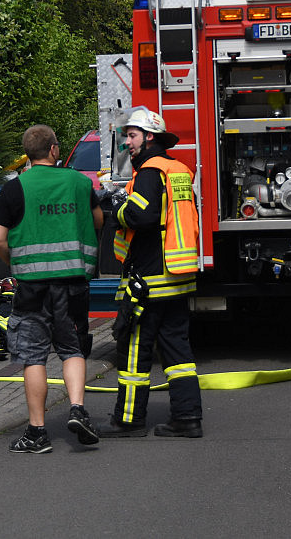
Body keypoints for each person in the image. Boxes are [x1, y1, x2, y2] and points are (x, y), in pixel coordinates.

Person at [0, 124, 103, 453]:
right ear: (54, 150)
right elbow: (97, 220)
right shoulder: (80, 183)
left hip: (32, 288)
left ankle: (37, 432)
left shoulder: (15, 188)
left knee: (33, 357)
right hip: (73, 284)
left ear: (28, 154)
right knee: (73, 349)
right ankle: (78, 409)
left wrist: (17, 261)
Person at [102, 108, 203, 438]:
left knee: (133, 349)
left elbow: (142, 217)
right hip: (179, 275)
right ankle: (187, 419)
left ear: (149, 138)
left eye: (131, 135)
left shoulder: (149, 170)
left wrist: (115, 206)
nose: (127, 142)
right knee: (177, 351)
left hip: (150, 277)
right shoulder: (178, 171)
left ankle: (128, 421)